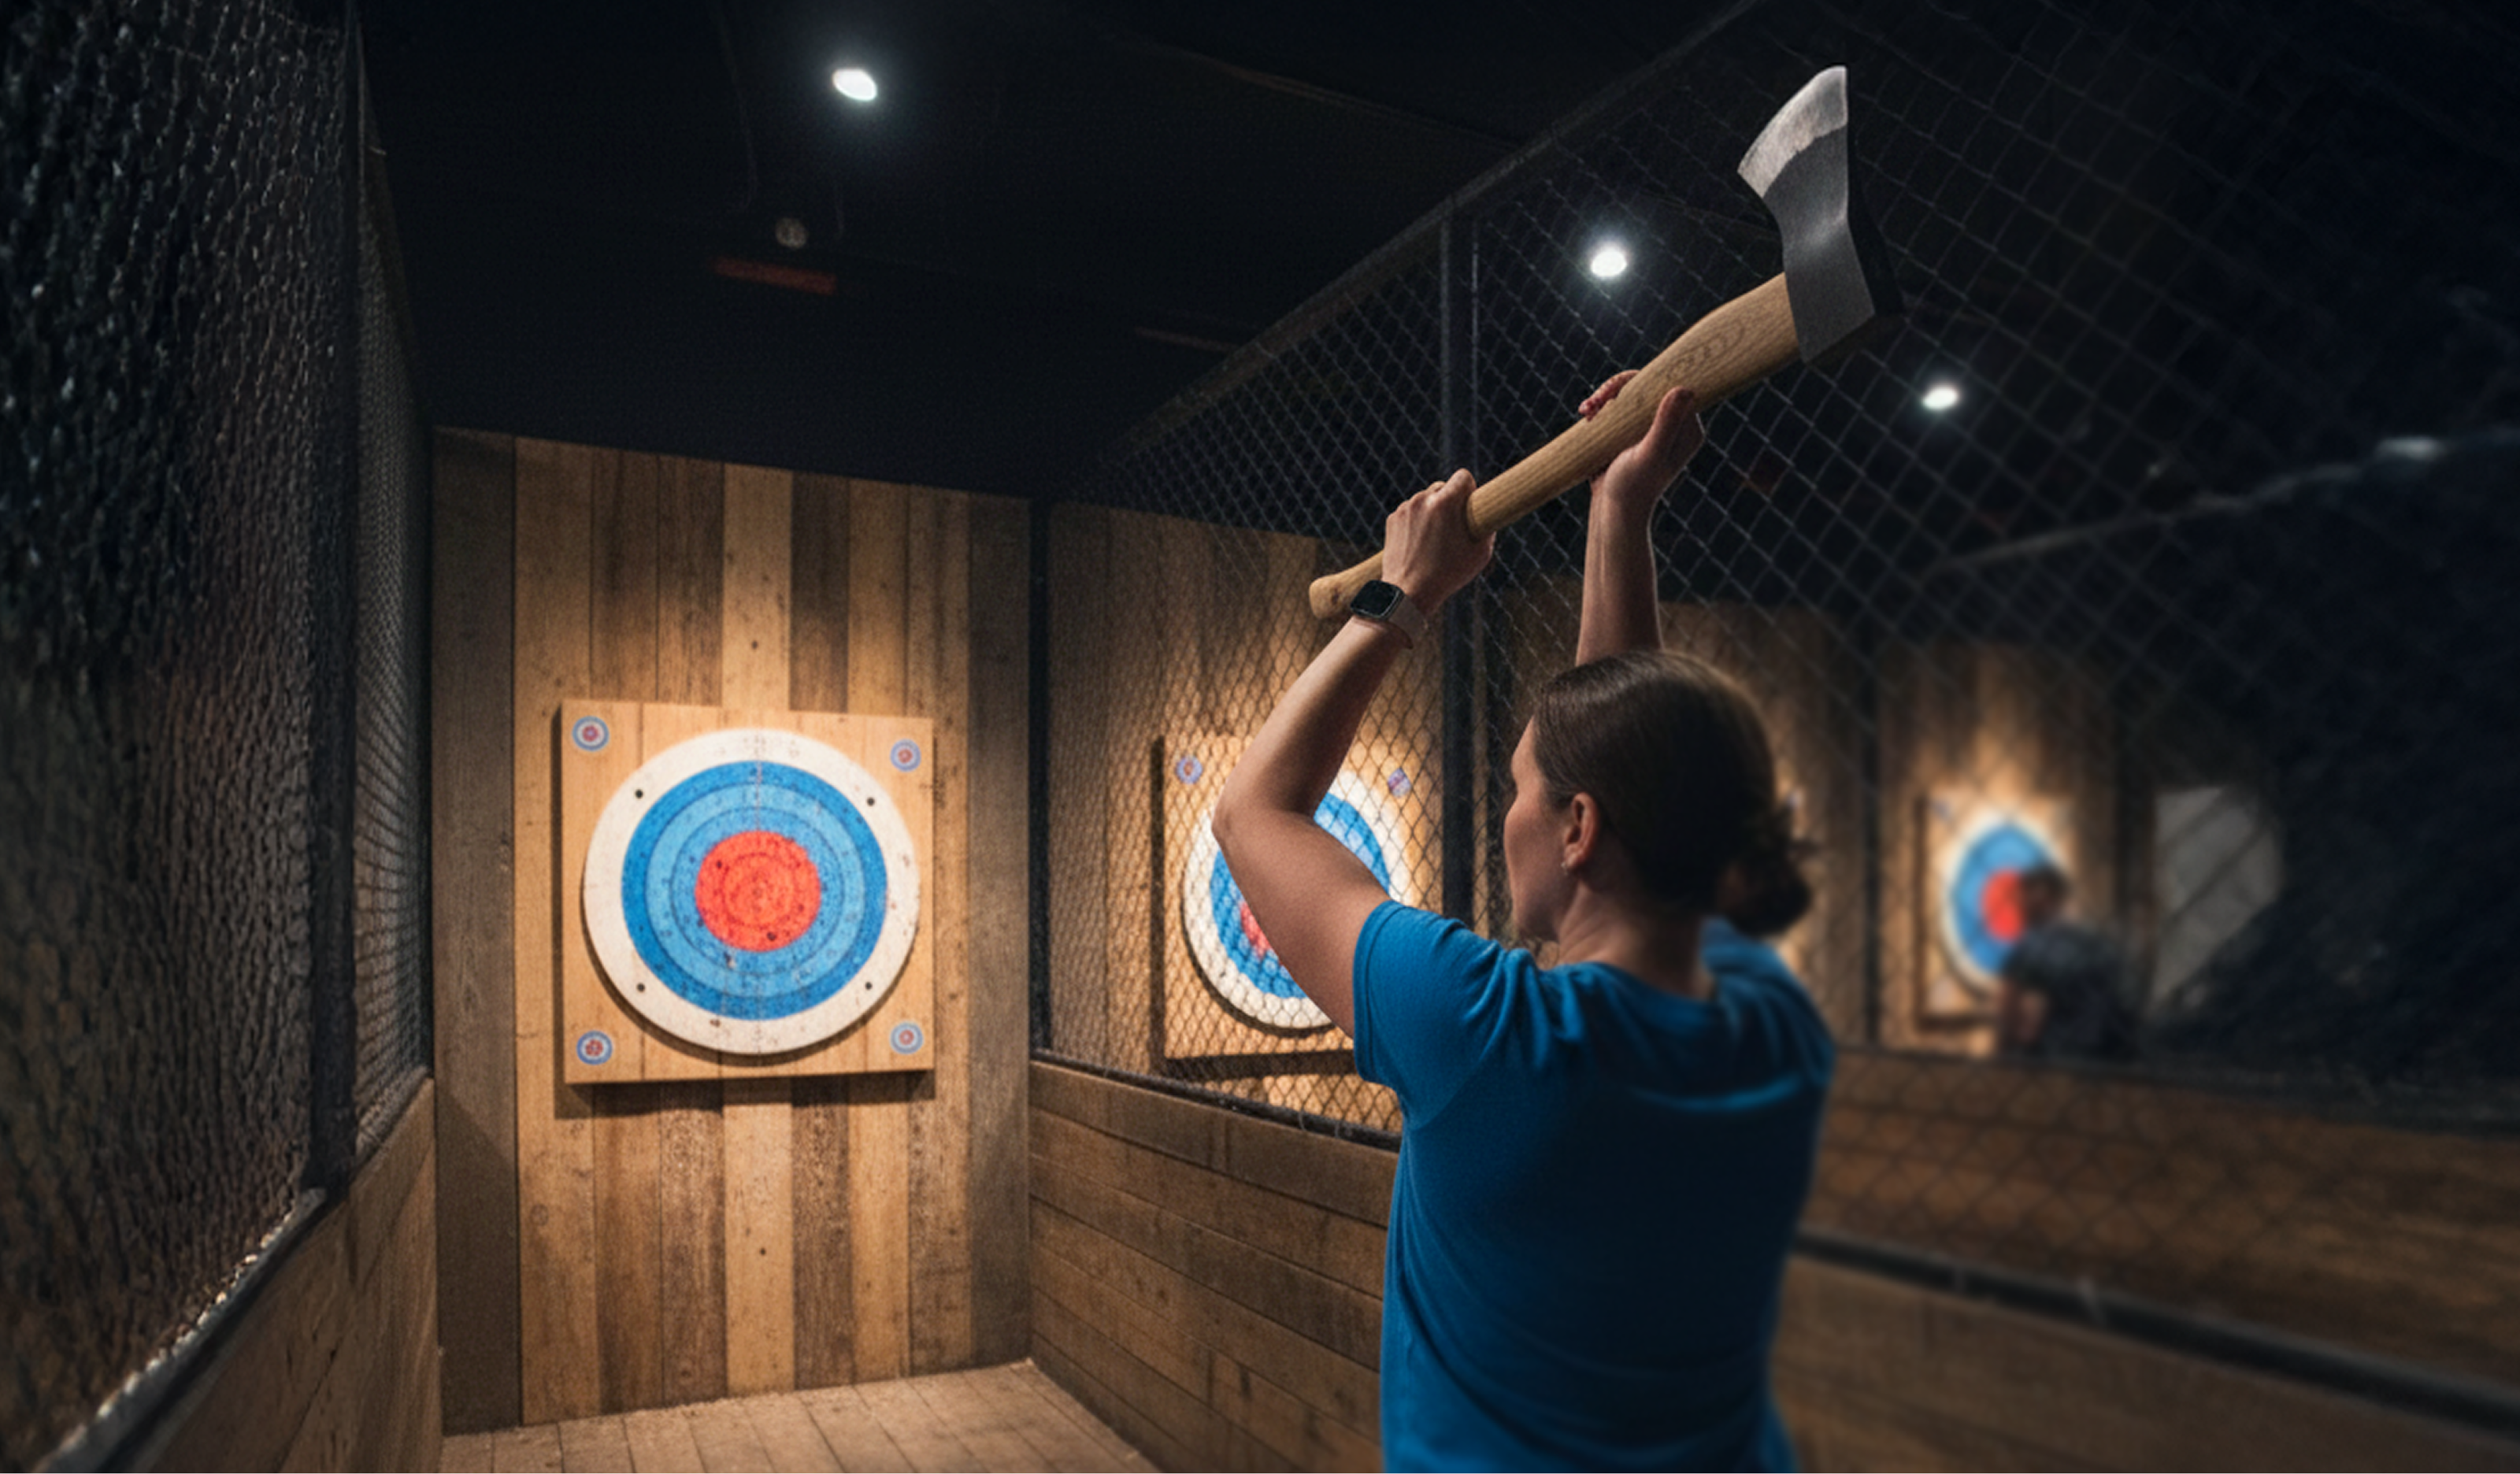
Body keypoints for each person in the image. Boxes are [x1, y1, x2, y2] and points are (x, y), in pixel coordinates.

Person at [1213, 372, 1834, 1472]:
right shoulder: (1772, 1027)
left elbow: (1254, 807)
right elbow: (1619, 742)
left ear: (1581, 829)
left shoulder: (1484, 1032)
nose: (1507, 818)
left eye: (1519, 791)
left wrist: (1401, 596)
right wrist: (1619, 511)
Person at [1994, 864, 2136, 1062]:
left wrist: (2002, 1055)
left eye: (2024, 897)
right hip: (2109, 1058)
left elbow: (2013, 1014)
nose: (2019, 905)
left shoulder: (2032, 945)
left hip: (2053, 1060)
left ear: (2042, 898)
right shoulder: (2100, 943)